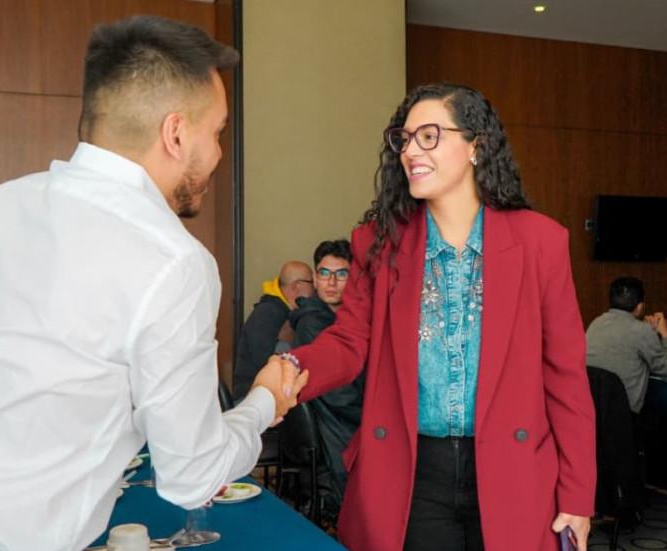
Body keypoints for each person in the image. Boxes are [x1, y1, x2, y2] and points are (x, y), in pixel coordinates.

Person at [0, 16, 305, 551]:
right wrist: (265, 401)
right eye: (217, 132)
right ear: (176, 133)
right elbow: (192, 476)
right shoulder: (174, 262)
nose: (219, 153)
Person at [273, 83, 596, 550]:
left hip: (515, 471)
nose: (409, 152)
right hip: (411, 473)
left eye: (429, 136)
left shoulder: (540, 242)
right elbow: (348, 343)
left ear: (475, 147)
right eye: (403, 140)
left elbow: (566, 377)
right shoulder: (378, 242)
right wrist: (294, 369)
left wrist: (578, 494)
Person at [288, 239, 364, 521]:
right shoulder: (312, 323)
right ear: (315, 279)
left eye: (341, 274)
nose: (331, 282)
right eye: (324, 273)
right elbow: (340, 395)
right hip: (335, 425)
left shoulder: (344, 321)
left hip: (339, 421)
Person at [585, 277, 667, 413]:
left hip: (594, 413)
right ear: (640, 306)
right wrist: (665, 335)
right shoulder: (641, 331)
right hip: (624, 418)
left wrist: (650, 333)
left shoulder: (596, 324)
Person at [232, 261, 313, 399]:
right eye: (311, 282)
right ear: (295, 286)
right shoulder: (270, 313)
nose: (315, 287)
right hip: (252, 399)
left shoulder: (281, 311)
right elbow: (264, 365)